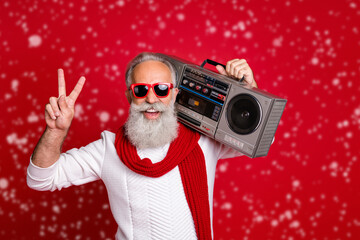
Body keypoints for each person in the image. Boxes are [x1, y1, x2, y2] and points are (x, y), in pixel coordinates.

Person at [27, 52, 258, 240]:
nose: (151, 99)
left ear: (175, 94)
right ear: (130, 96)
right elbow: (41, 179)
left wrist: (249, 90)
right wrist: (55, 131)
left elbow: (256, 140)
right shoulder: (109, 148)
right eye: (141, 90)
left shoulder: (204, 140)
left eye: (161, 89)